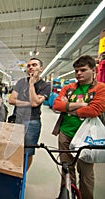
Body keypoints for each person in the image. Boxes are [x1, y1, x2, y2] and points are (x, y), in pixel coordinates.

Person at [53, 55, 105, 199]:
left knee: (86, 174)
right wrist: (82, 105)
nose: (79, 74)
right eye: (76, 71)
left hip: (87, 137)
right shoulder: (69, 88)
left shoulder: (101, 88)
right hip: (65, 133)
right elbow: (57, 105)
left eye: (83, 70)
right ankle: (68, 195)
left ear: (94, 70)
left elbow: (95, 110)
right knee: (66, 170)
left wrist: (68, 108)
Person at [9, 58, 51, 171]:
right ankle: (14, 172)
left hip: (32, 121)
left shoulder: (45, 86)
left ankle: (23, 174)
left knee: (28, 151)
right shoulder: (21, 82)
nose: (30, 67)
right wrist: (28, 103)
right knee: (14, 148)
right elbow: (11, 100)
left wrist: (31, 84)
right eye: (28, 66)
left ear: (41, 68)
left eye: (34, 65)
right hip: (17, 119)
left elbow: (35, 102)